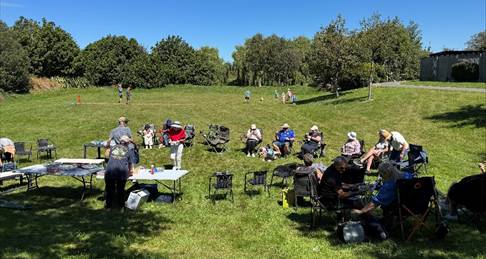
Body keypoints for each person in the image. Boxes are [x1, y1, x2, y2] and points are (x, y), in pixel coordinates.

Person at [351, 162, 408, 240]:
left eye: (381, 174)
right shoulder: (408, 176)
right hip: (416, 206)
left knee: (366, 215)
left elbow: (375, 203)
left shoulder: (389, 186)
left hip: (398, 208)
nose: (381, 176)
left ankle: (381, 230)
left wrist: (361, 211)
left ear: (385, 174)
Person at [104, 135, 136, 210]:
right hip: (121, 172)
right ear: (127, 143)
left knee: (109, 189)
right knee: (120, 190)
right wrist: (131, 172)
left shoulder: (113, 148)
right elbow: (131, 164)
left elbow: (107, 155)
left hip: (110, 171)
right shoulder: (129, 150)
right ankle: (121, 207)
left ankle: (108, 207)